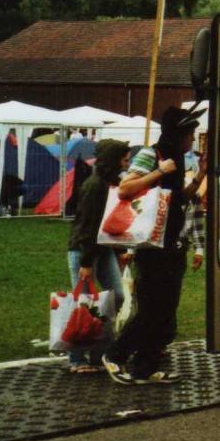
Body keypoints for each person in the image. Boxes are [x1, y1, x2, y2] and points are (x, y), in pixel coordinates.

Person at [102, 105, 207, 385]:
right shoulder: (153, 154)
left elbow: (178, 199)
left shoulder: (179, 159)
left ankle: (146, 367)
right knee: (151, 309)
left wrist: (199, 177)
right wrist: (159, 172)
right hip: (152, 247)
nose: (194, 139)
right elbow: (125, 188)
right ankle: (115, 355)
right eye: (190, 134)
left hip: (173, 244)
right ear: (177, 134)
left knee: (165, 310)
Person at [65, 138, 132, 374]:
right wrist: (85, 261)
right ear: (113, 160)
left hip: (102, 249)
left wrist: (120, 250)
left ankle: (97, 350)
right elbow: (87, 225)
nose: (127, 163)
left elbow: (112, 222)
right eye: (124, 159)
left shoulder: (112, 185)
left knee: (117, 296)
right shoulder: (95, 186)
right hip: (86, 250)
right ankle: (76, 358)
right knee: (83, 304)